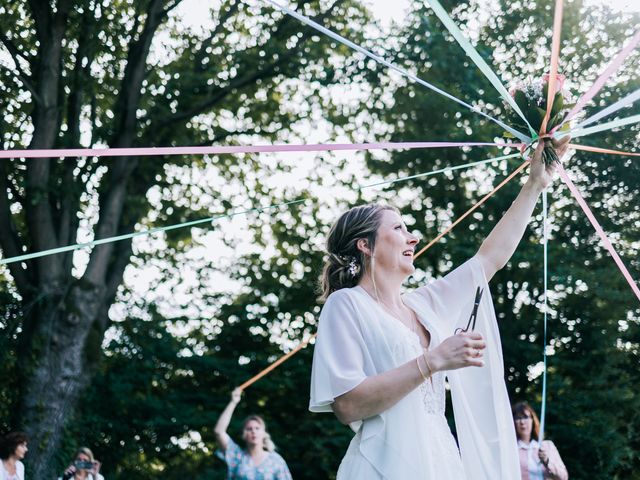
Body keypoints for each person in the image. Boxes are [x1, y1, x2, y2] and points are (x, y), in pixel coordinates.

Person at [309, 137, 571, 479]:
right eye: (399, 228)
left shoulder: (423, 305)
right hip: (384, 464)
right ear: (365, 245)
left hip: (442, 460)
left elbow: (489, 258)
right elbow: (347, 404)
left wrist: (535, 183)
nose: (413, 237)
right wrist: (432, 360)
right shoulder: (346, 305)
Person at [214, 388, 293, 480]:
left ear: (264, 433)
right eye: (249, 429)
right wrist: (233, 402)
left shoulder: (276, 460)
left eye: (257, 428)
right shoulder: (237, 457)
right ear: (244, 434)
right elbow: (219, 431)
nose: (253, 431)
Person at [513, 402, 568, 480]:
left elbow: (563, 477)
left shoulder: (547, 446)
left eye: (525, 417)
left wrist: (547, 462)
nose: (522, 422)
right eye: (518, 418)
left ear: (532, 420)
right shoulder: (512, 449)